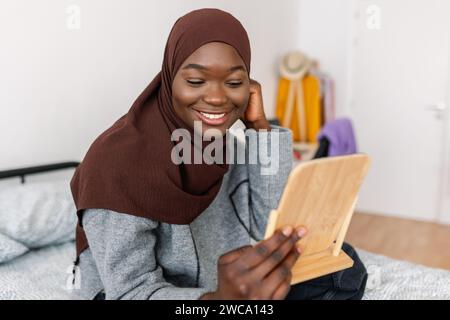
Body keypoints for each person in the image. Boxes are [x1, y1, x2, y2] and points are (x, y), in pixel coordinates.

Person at [70, 8, 367, 300]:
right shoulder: (115, 165)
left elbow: (268, 225)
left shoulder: (226, 147)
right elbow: (129, 292)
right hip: (139, 294)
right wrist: (218, 300)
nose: (216, 98)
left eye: (234, 83)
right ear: (170, 77)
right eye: (196, 81)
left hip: (221, 286)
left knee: (345, 269)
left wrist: (262, 130)